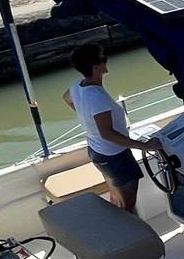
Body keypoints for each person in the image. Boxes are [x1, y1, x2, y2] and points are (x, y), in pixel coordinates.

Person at [62, 43, 162, 214]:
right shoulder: (96, 96)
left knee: (116, 199)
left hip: (97, 151)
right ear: (96, 67)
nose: (106, 61)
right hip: (115, 156)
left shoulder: (77, 86)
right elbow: (107, 133)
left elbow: (66, 98)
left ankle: (125, 234)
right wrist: (144, 146)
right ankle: (134, 237)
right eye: (103, 58)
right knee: (127, 205)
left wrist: (87, 119)